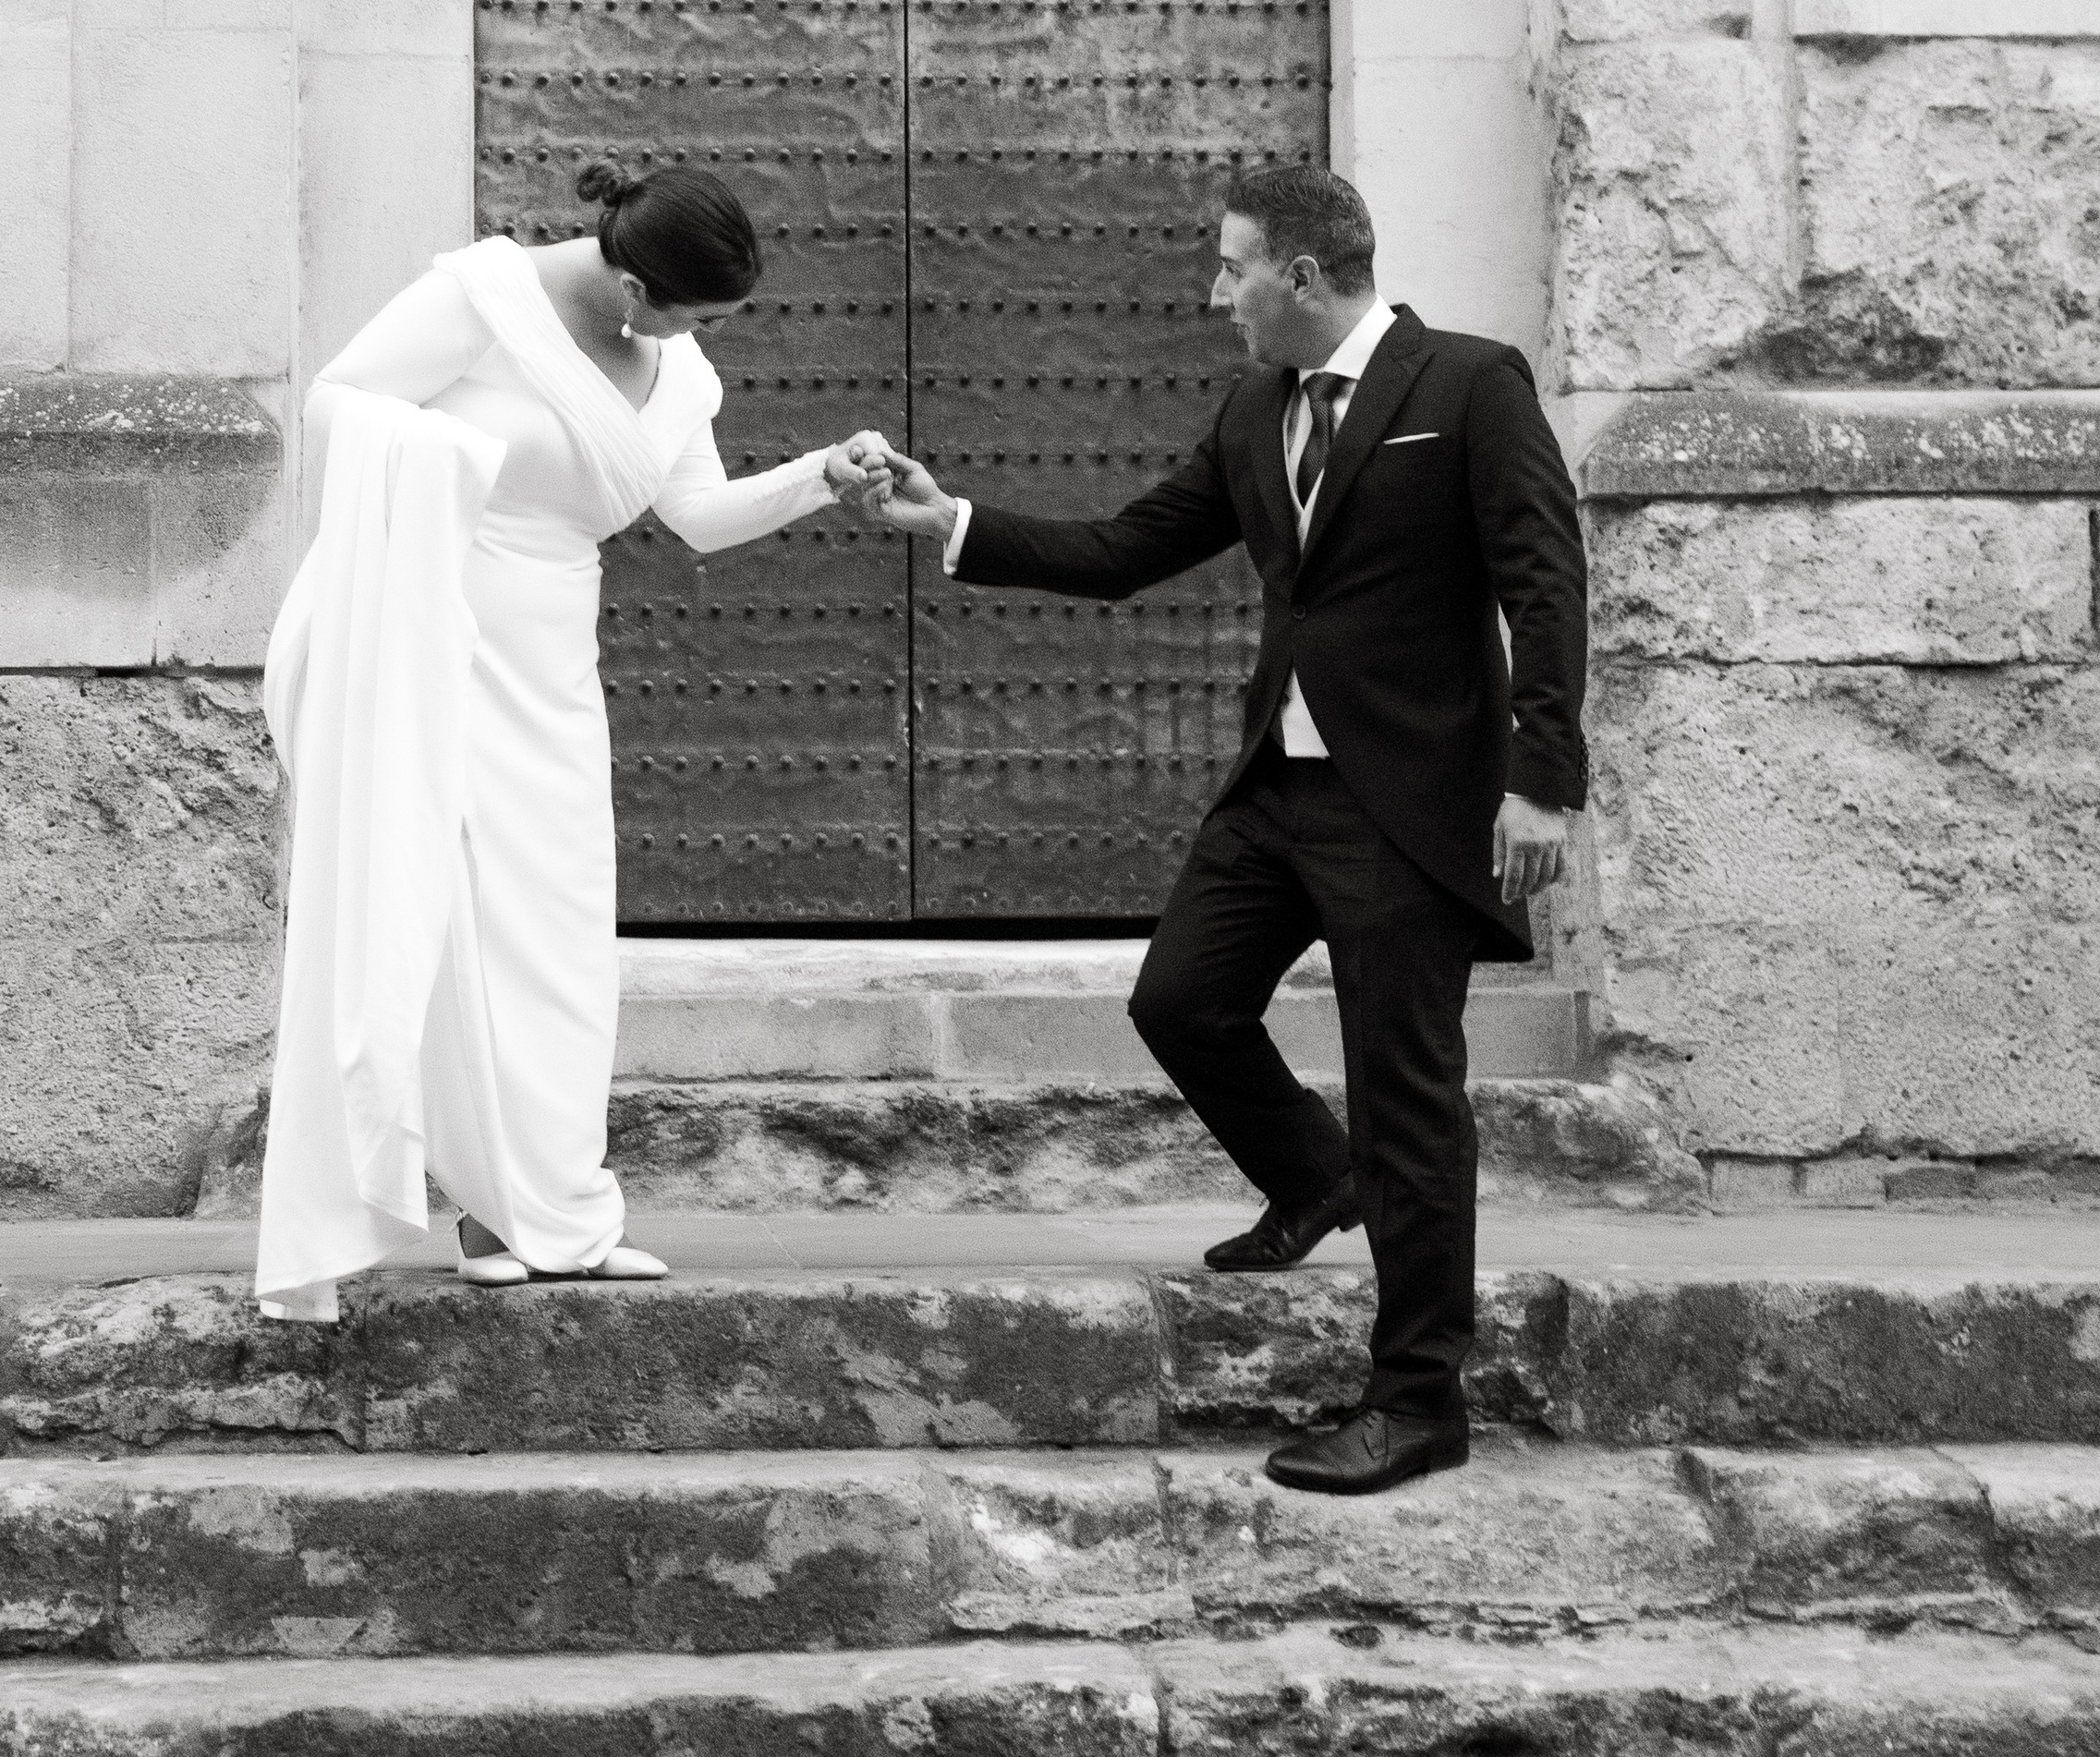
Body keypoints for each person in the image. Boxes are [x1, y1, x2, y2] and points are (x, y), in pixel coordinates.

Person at [833, 164, 1587, 1496]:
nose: (1215, 290)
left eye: (1232, 265)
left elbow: (1545, 577)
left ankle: (1418, 1402)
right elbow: (1128, 549)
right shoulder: (1255, 409)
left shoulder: (1471, 385)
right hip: (1278, 791)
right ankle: (1312, 1177)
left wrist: (1541, 778)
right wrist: (950, 522)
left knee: (1409, 1102)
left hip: (1409, 804)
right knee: (1181, 1001)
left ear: (1302, 274)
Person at [257, 159, 884, 1318]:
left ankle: (555, 1210)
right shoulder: (482, 299)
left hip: (550, 670)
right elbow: (336, 403)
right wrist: (458, 461)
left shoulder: (674, 367)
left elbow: (697, 515)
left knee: (558, 938)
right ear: (636, 287)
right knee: (449, 922)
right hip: (436, 649)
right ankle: (487, 1211)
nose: (704, 339)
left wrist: (818, 477)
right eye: (697, 316)